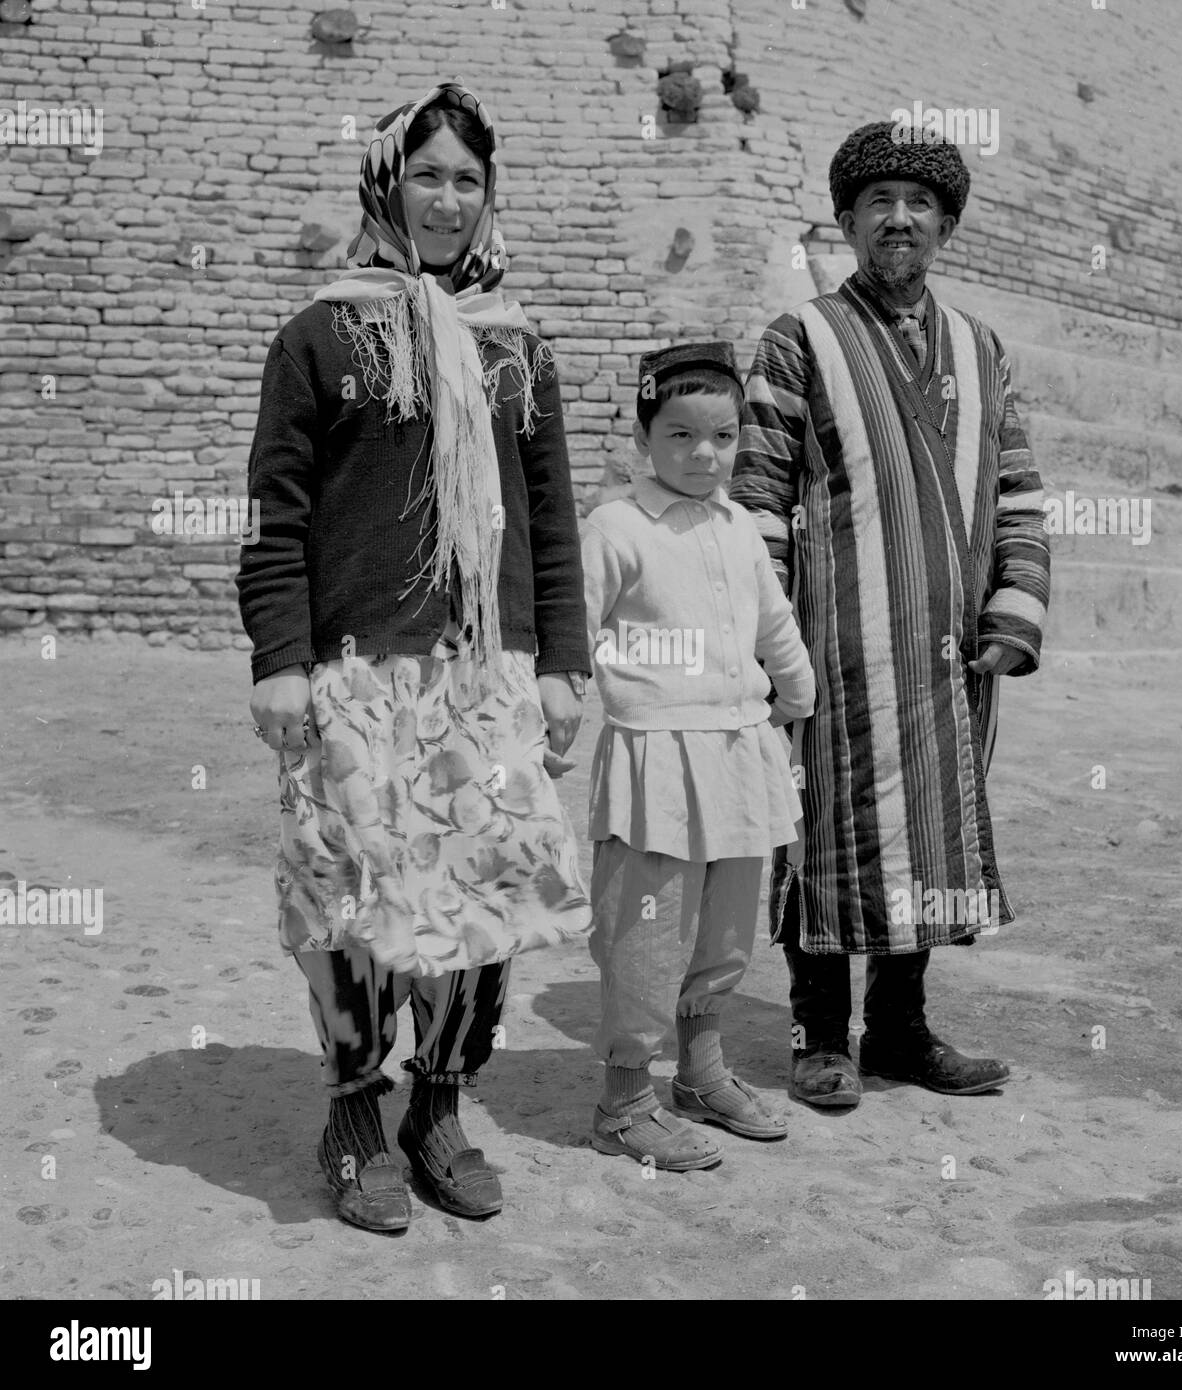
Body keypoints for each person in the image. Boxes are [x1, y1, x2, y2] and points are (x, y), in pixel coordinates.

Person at [237, 80, 592, 1232]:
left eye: (467, 179)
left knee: (482, 899)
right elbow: (278, 512)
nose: (446, 199)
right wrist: (278, 659)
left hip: (483, 677)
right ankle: (353, 1108)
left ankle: (438, 1105)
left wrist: (560, 662)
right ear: (386, 181)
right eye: (427, 174)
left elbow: (550, 520)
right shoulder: (320, 335)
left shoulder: (515, 347)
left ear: (490, 196)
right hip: (352, 675)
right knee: (351, 896)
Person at [729, 121, 1050, 1108]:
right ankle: (819, 1034)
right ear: (846, 223)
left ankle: (900, 1031)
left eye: (917, 205)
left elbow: (1020, 491)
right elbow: (754, 500)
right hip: (835, 649)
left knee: (934, 838)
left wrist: (1013, 606)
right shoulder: (800, 338)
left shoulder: (980, 349)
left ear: (943, 225)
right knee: (820, 832)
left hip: (953, 655)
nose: (898, 220)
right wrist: (766, 646)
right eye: (879, 204)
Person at [581, 342, 816, 1169]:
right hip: (655, 762)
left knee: (724, 931)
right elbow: (574, 635)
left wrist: (797, 692)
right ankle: (623, 1101)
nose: (702, 454)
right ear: (643, 436)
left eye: (720, 436)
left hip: (739, 753)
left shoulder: (743, 526)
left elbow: (772, 622)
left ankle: (702, 1073)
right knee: (647, 934)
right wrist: (550, 727)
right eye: (679, 435)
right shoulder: (616, 526)